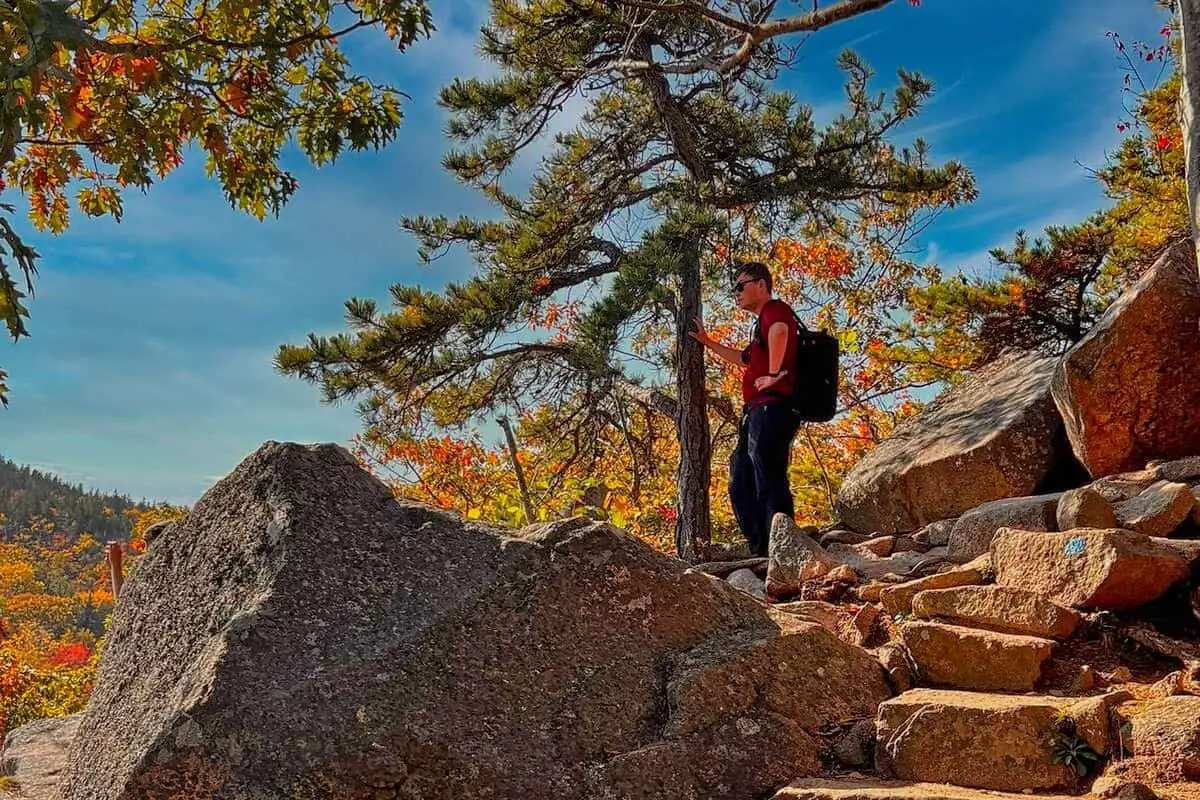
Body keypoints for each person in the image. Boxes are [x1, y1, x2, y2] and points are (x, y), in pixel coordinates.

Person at [691, 261, 801, 557]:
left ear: (761, 285)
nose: (735, 292)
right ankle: (761, 549)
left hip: (772, 408)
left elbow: (780, 331)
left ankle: (783, 548)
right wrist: (707, 342)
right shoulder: (760, 326)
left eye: (740, 286)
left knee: (767, 476)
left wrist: (775, 374)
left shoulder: (774, 310)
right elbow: (743, 359)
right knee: (741, 480)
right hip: (756, 412)